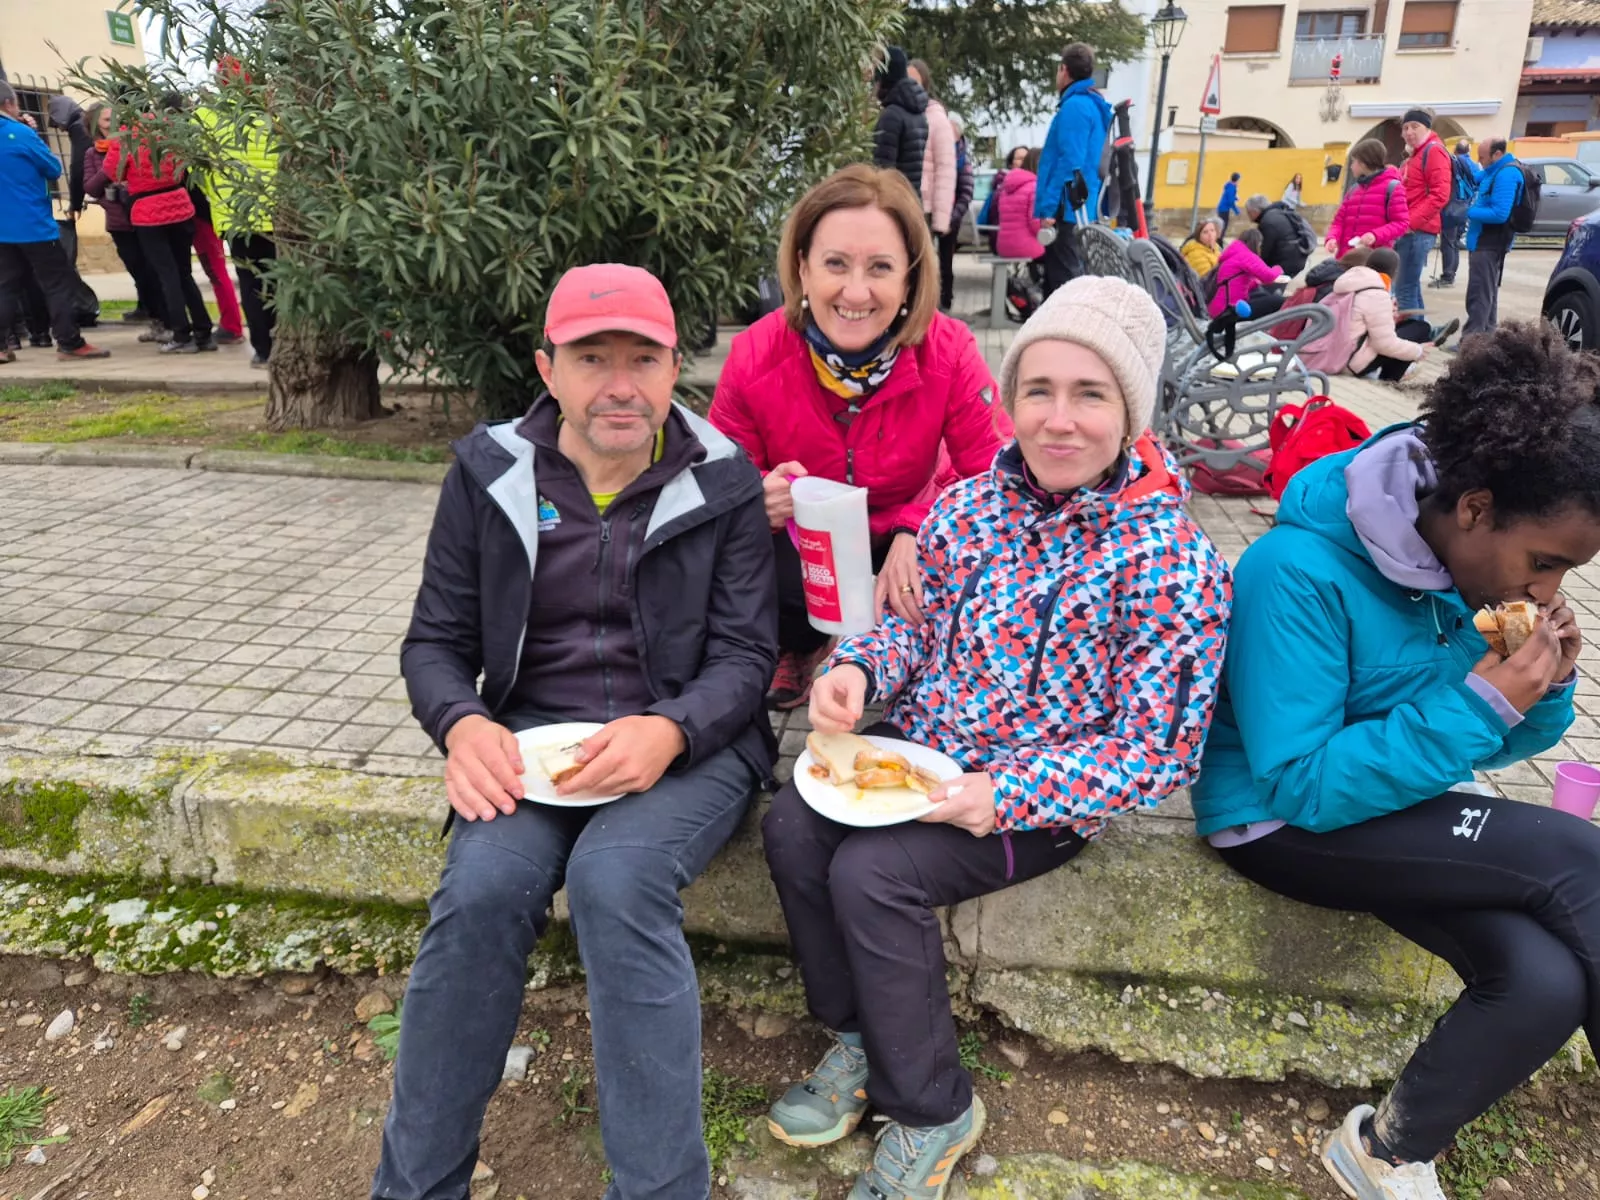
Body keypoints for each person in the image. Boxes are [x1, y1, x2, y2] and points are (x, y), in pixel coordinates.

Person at [762, 274, 1230, 1200]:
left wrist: (1005, 797)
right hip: (924, 753)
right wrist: (858, 669)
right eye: (1037, 392)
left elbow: (1157, 750)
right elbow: (911, 627)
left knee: (876, 873)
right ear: (1009, 400)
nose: (1059, 420)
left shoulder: (1174, 559)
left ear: (1130, 411)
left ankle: (934, 1108)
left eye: (1090, 395)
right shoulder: (968, 508)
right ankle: (856, 1034)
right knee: (790, 826)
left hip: (1042, 797)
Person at [372, 264, 778, 1200]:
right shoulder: (488, 474)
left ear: (679, 366)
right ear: (547, 367)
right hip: (529, 740)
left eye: (645, 358)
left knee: (617, 876)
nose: (621, 385)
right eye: (594, 359)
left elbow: (747, 660)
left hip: (690, 750)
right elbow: (435, 640)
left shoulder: (722, 481)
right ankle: (416, 1187)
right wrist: (462, 723)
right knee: (480, 893)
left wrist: (671, 731)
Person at [1192, 321, 1600, 1200]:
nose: (1546, 591)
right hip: (1278, 817)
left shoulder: (1468, 570)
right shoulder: (1295, 569)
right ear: (1476, 507)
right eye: (1545, 563)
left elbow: (1515, 739)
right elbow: (1298, 780)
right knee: (1580, 856)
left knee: (1543, 978)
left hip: (1387, 805)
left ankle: (1381, 1149)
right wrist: (1482, 702)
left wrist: (1545, 688)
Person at [709, 164, 1008, 711]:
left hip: (902, 527)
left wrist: (917, 526)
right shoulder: (755, 353)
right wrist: (756, 495)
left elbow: (997, 474)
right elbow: (716, 481)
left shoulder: (950, 349)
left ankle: (928, 659)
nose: (855, 291)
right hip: (804, 542)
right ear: (801, 268)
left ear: (910, 279)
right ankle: (795, 644)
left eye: (880, 267)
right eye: (835, 264)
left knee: (964, 540)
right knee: (743, 532)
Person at [0, 81, 107, 363]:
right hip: (33, 224)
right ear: (10, 103)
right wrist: (31, 134)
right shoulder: (20, 133)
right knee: (58, 283)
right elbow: (52, 167)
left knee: (6, 286)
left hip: (2, 229)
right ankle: (69, 341)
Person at [101, 99, 217, 354]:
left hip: (148, 214)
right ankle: (204, 333)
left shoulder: (126, 138)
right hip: (180, 206)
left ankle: (181, 334)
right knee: (184, 273)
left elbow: (114, 172)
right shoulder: (169, 130)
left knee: (167, 276)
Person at [198, 59, 279, 367]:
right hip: (274, 213)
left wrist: (220, 196)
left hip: (234, 217)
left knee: (250, 282)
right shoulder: (268, 113)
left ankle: (263, 349)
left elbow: (196, 168)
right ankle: (285, 342)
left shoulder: (204, 117)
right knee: (279, 280)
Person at [1036, 42, 1112, 296]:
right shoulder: (1091, 104)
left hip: (1068, 207)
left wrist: (1048, 209)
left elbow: (1069, 162)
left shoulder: (1075, 106)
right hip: (1079, 205)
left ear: (1064, 70)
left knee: (1064, 282)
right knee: (1067, 276)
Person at [82, 101, 160, 328]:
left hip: (144, 217)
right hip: (119, 221)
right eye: (107, 120)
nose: (114, 124)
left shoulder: (134, 143)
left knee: (156, 270)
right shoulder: (92, 153)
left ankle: (164, 320)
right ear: (97, 126)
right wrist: (110, 170)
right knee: (138, 271)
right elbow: (91, 186)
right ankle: (154, 318)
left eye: (116, 118)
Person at [1323, 246, 1438, 382]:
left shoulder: (1348, 282)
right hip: (1348, 361)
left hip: (1330, 352)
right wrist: (1417, 351)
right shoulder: (1377, 293)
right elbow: (1384, 344)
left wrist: (1391, 317)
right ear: (1395, 272)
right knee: (1419, 329)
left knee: (1408, 326)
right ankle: (1389, 379)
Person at [1396, 109, 1452, 338]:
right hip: (1412, 229)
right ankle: (1426, 332)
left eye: (1414, 127)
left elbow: (1440, 194)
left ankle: (1411, 338)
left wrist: (1409, 222)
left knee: (1404, 288)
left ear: (1427, 128)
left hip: (1417, 230)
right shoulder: (1417, 155)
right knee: (1410, 283)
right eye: (1405, 127)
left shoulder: (1433, 151)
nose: (1409, 132)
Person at [1461, 138, 1522, 340]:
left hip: (1488, 243)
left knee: (1479, 294)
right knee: (1488, 293)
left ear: (1497, 155)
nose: (1480, 161)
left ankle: (1472, 342)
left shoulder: (1506, 174)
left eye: (1483, 157)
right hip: (1485, 242)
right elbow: (1478, 176)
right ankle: (1487, 338)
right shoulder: (1495, 171)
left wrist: (1470, 211)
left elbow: (1500, 213)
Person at [1324, 139, 1408, 256]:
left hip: (1373, 258)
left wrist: (1375, 235)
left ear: (1363, 164)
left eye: (1354, 162)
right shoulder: (1353, 190)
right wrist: (1332, 238)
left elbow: (1401, 223)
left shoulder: (1393, 188)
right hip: (1347, 257)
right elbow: (1338, 222)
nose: (1351, 166)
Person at [907, 60, 955, 245]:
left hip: (924, 206)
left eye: (914, 82)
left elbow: (946, 170)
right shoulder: (892, 113)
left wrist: (941, 219)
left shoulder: (937, 119)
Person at [872, 47, 928, 199]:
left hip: (894, 202)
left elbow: (883, 172)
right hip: (911, 200)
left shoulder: (891, 116)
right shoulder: (919, 113)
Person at [1207, 227, 1289, 319]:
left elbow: (1236, 283)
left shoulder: (1234, 253)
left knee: (1262, 294)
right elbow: (1269, 276)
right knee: (1279, 301)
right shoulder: (1246, 255)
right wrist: (1278, 268)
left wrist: (1255, 282)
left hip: (1219, 308)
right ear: (1257, 243)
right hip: (1230, 309)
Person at [1432, 138, 1480, 289]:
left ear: (1455, 150)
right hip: (1465, 207)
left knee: (1448, 243)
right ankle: (1450, 273)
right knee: (1455, 242)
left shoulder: (1453, 162)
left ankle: (1447, 275)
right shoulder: (1474, 164)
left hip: (1452, 207)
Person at [941, 113, 976, 313]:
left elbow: (966, 194)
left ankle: (946, 300)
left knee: (946, 262)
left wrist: (951, 220)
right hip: (932, 214)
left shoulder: (963, 160)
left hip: (949, 219)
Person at [995, 147, 1045, 262]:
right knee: (1056, 252)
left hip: (1004, 246)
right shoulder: (1034, 186)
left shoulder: (1005, 187)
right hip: (1026, 247)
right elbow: (1035, 224)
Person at [976, 146, 1028, 254]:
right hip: (1007, 240)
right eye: (1019, 158)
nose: (1024, 161)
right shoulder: (1004, 189)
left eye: (1026, 158)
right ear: (1010, 163)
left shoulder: (999, 186)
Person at [1247, 192, 1309, 279]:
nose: (1249, 217)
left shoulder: (1267, 221)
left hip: (1285, 263)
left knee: (1270, 288)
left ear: (1255, 211)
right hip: (1298, 258)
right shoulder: (1278, 212)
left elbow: (1264, 251)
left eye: (1249, 213)